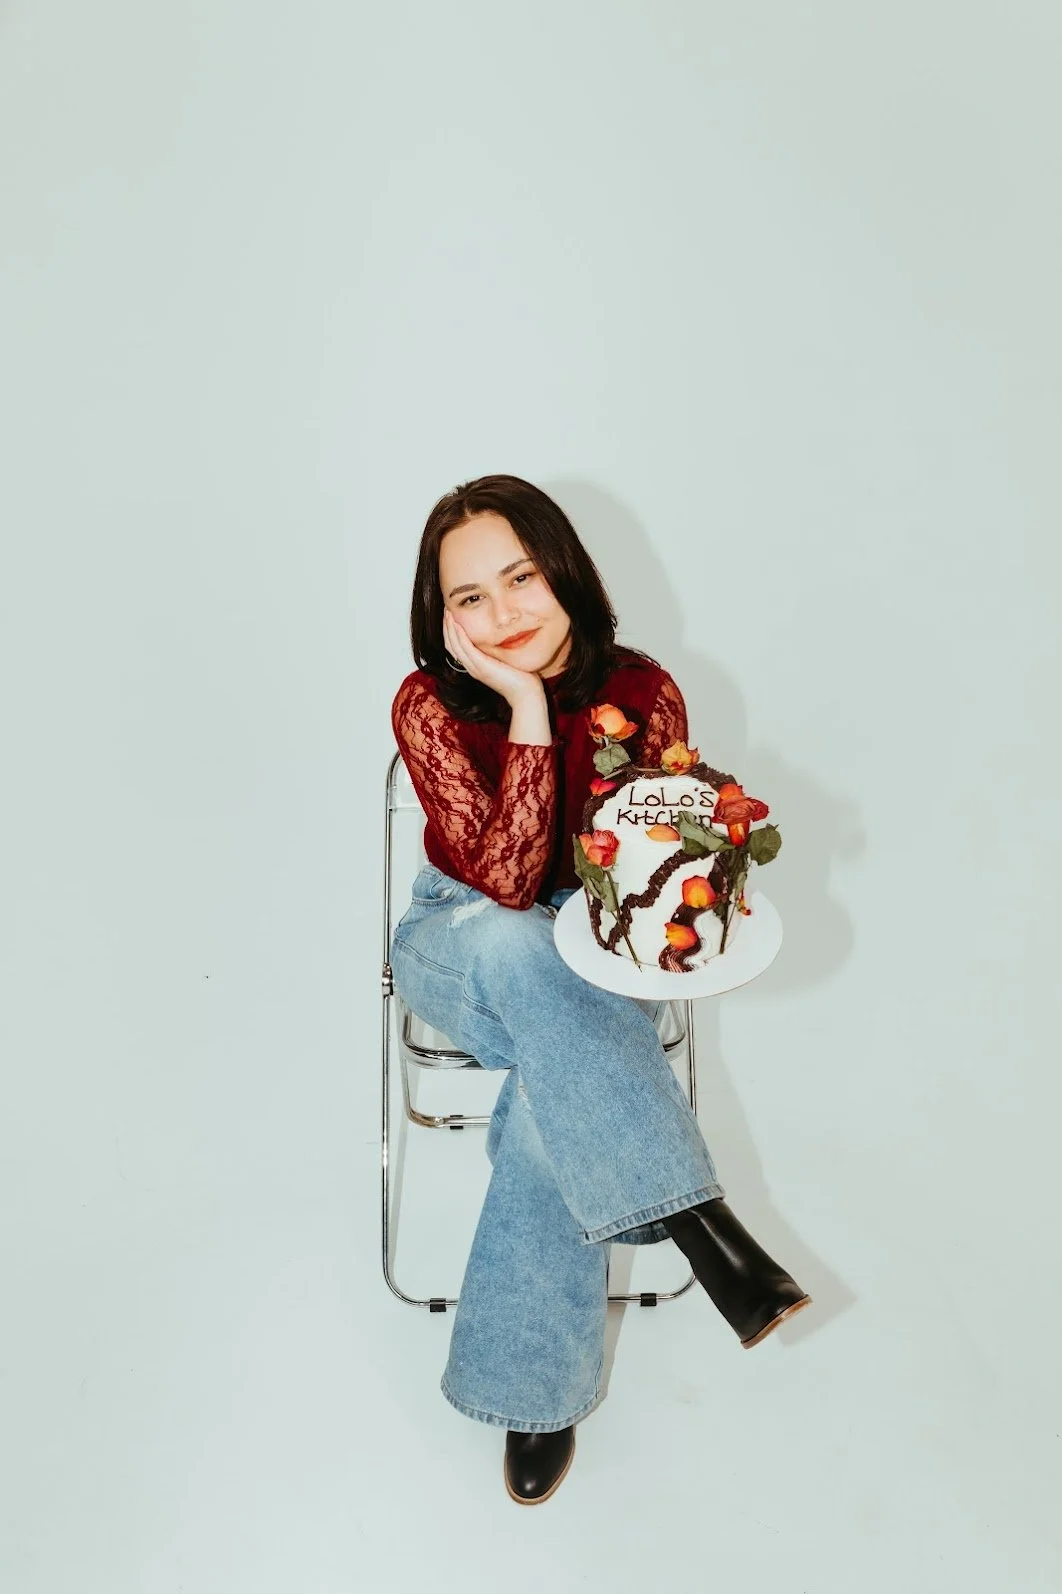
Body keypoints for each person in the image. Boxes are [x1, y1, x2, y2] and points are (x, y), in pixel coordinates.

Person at [389, 475, 811, 1505]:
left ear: (565, 571)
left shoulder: (644, 690)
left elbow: (647, 860)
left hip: (598, 954)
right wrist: (529, 711)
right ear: (443, 615)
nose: (501, 613)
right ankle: (702, 1222)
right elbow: (504, 881)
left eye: (521, 578)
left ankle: (533, 1395)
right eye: (470, 597)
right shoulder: (428, 702)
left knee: (555, 1095)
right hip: (460, 939)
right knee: (513, 940)